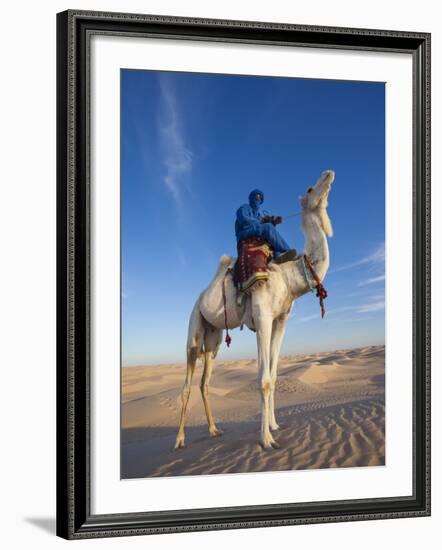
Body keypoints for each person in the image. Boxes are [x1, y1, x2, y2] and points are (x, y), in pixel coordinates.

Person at [235, 189, 297, 263]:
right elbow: (243, 220)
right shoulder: (244, 208)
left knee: (270, 229)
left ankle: (278, 256)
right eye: (257, 197)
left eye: (260, 199)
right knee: (268, 227)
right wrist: (262, 221)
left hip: (254, 231)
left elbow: (264, 225)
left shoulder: (258, 215)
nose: (258, 199)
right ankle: (285, 250)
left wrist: (273, 222)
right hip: (244, 232)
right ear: (252, 197)